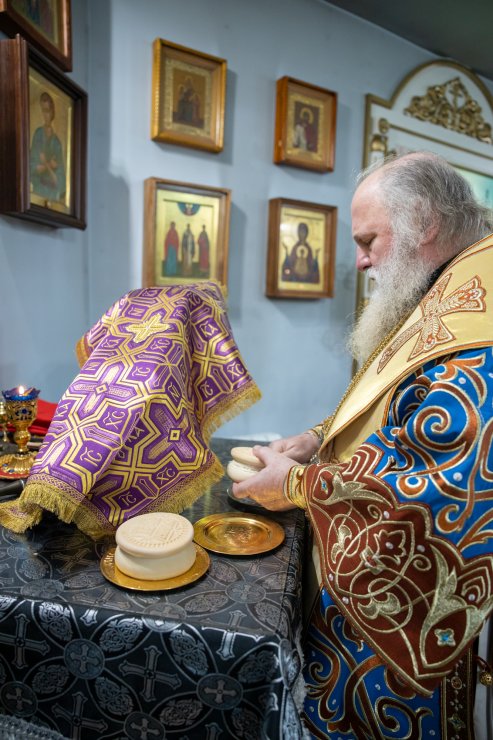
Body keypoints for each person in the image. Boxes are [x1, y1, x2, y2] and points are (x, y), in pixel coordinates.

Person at [233, 152, 493, 738]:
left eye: (369, 240)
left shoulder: (481, 332)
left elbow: (446, 490)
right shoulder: (452, 286)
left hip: (401, 624)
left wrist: (297, 484)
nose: (361, 260)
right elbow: (401, 405)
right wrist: (319, 436)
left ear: (425, 222)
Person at [30, 91, 66, 204]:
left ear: (52, 112)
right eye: (43, 111)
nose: (45, 115)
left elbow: (60, 182)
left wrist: (45, 164)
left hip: (52, 195)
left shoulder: (57, 143)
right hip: (37, 192)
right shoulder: (38, 135)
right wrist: (49, 164)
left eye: (48, 111)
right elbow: (32, 168)